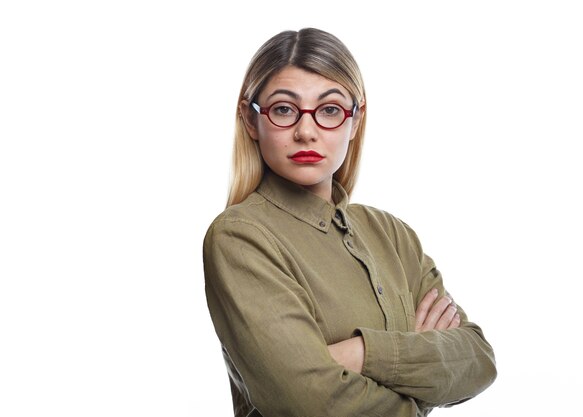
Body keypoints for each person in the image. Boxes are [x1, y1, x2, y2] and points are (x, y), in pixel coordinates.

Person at [203, 27, 497, 417]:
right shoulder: (240, 237)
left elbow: (477, 360)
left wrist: (360, 353)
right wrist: (420, 365)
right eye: (284, 109)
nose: (305, 131)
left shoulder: (391, 234)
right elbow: (306, 401)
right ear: (251, 120)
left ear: (354, 121)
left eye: (329, 110)